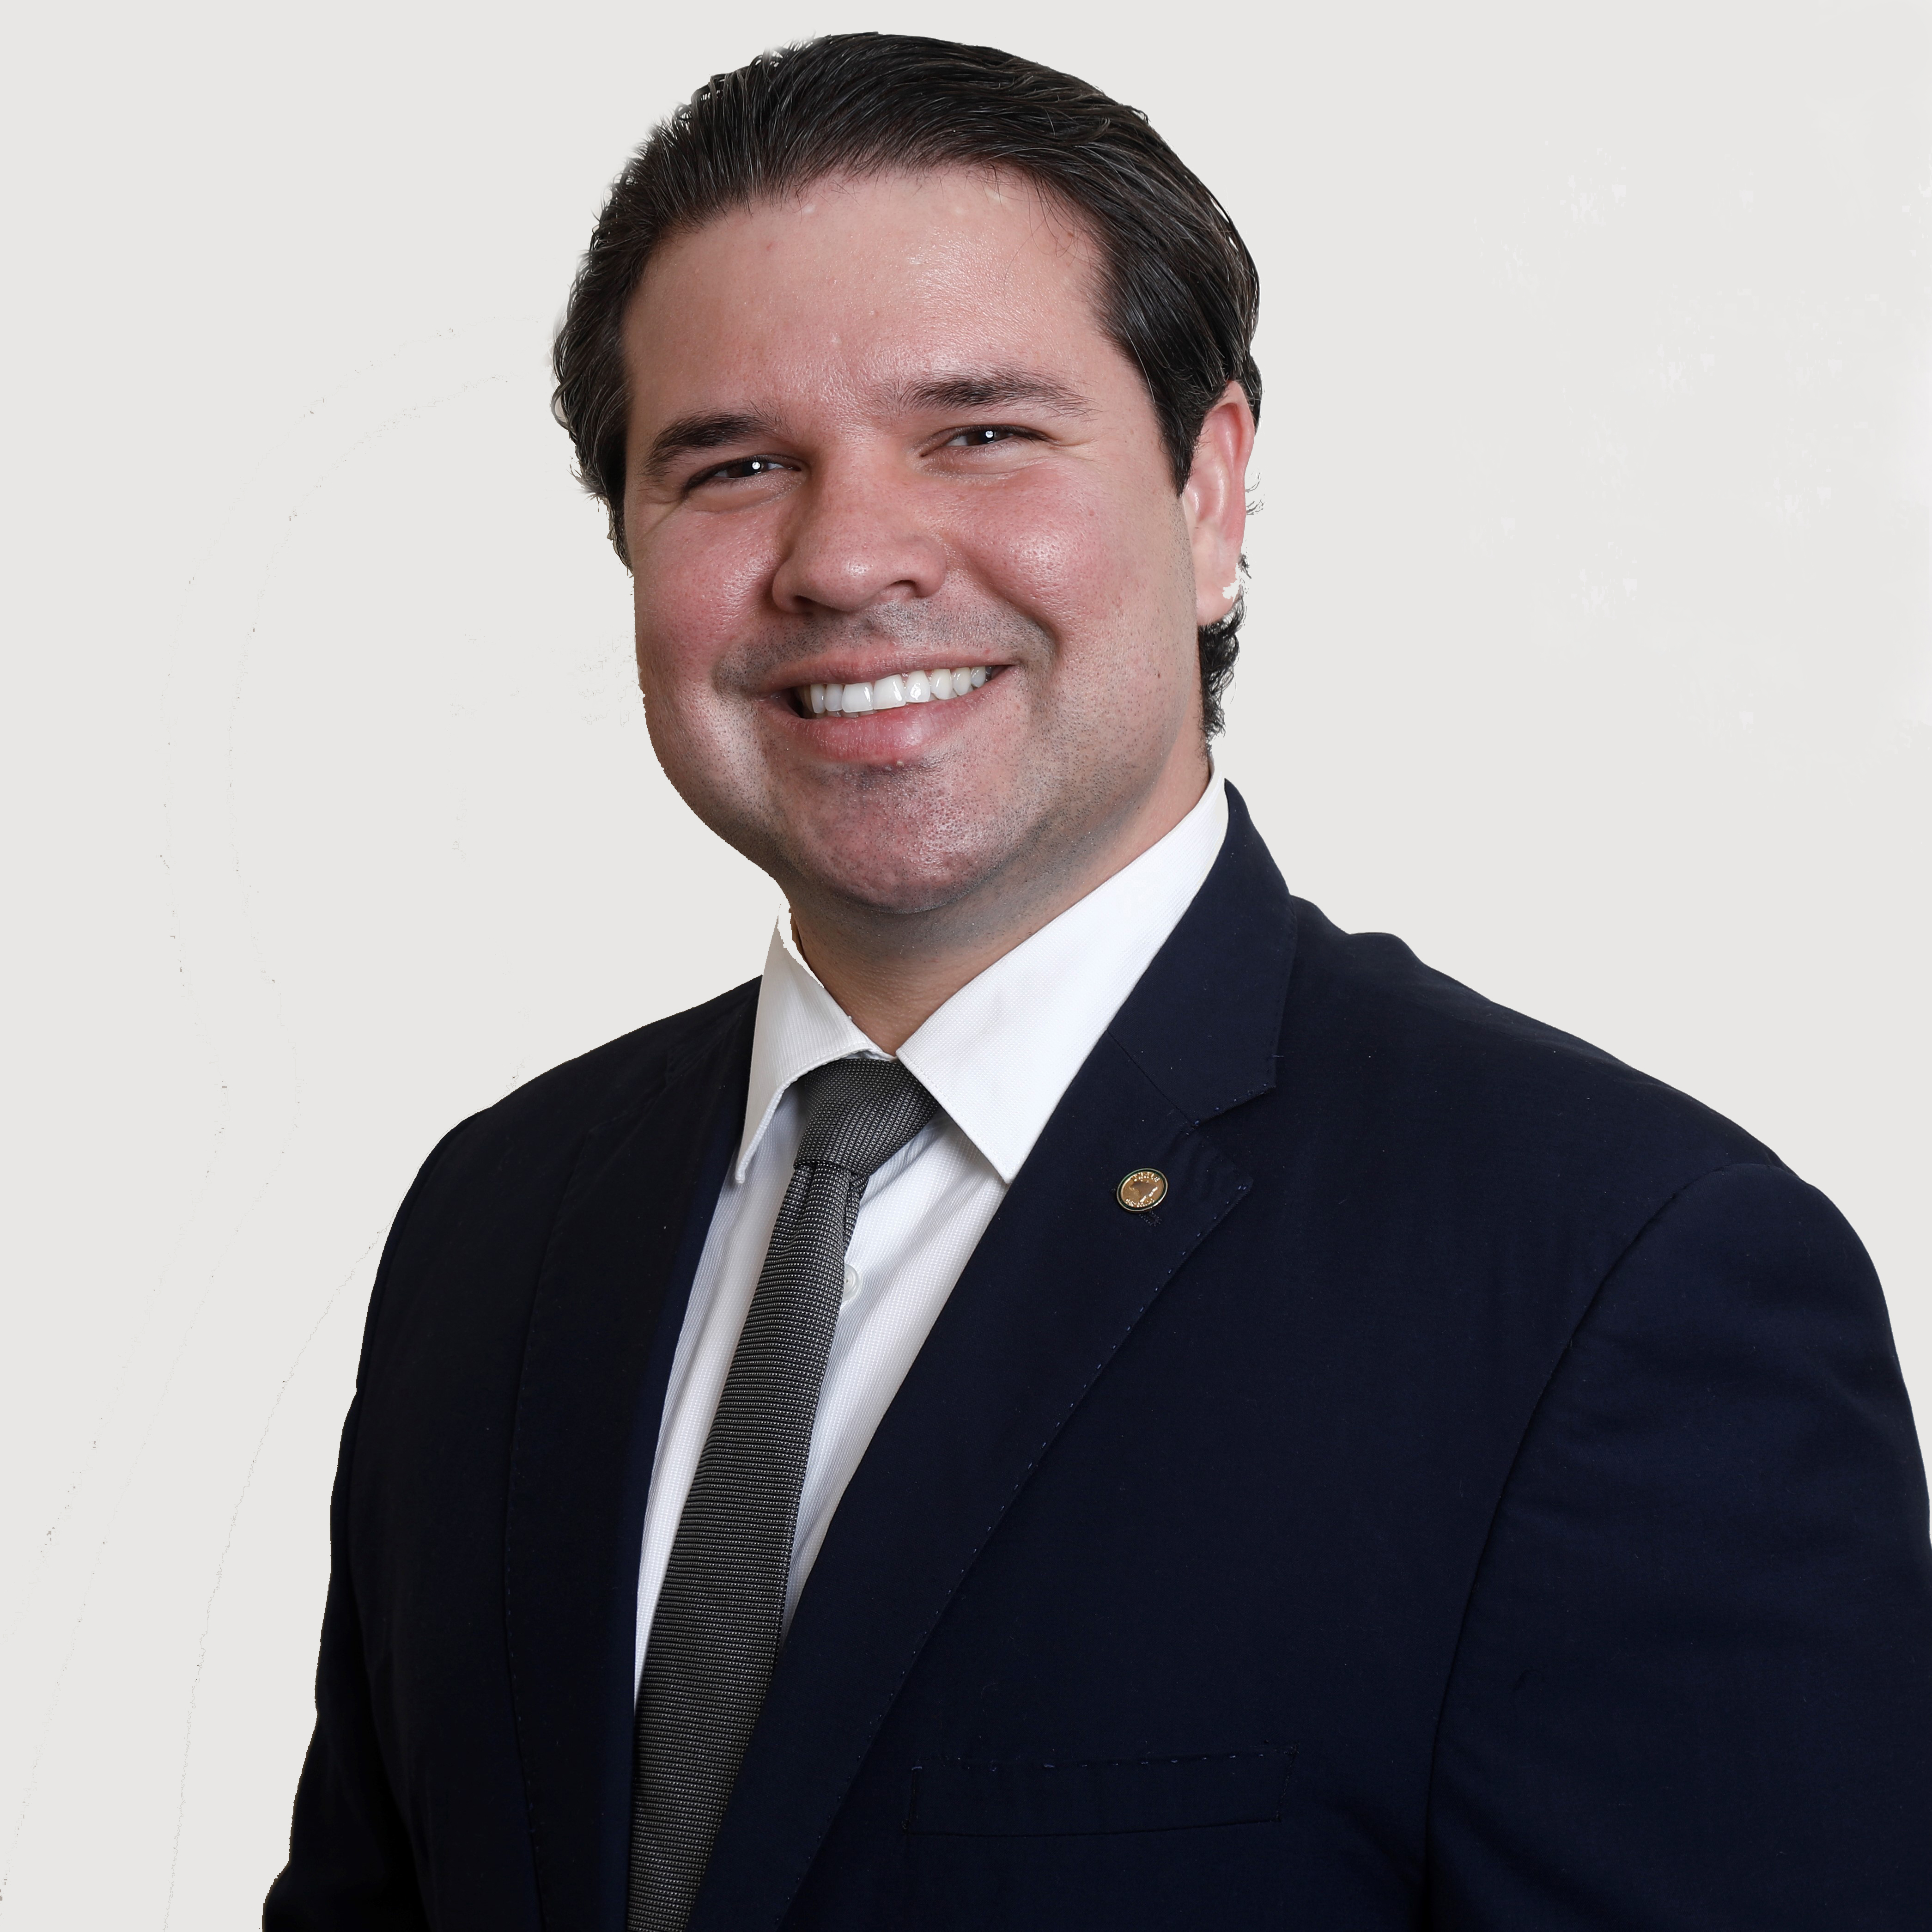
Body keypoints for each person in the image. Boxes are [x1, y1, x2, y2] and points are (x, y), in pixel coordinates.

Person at [264, 32, 1932, 1932]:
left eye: (977, 432)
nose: (847, 558)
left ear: (1208, 495)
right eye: (734, 465)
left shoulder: (1609, 1278)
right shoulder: (498, 1225)